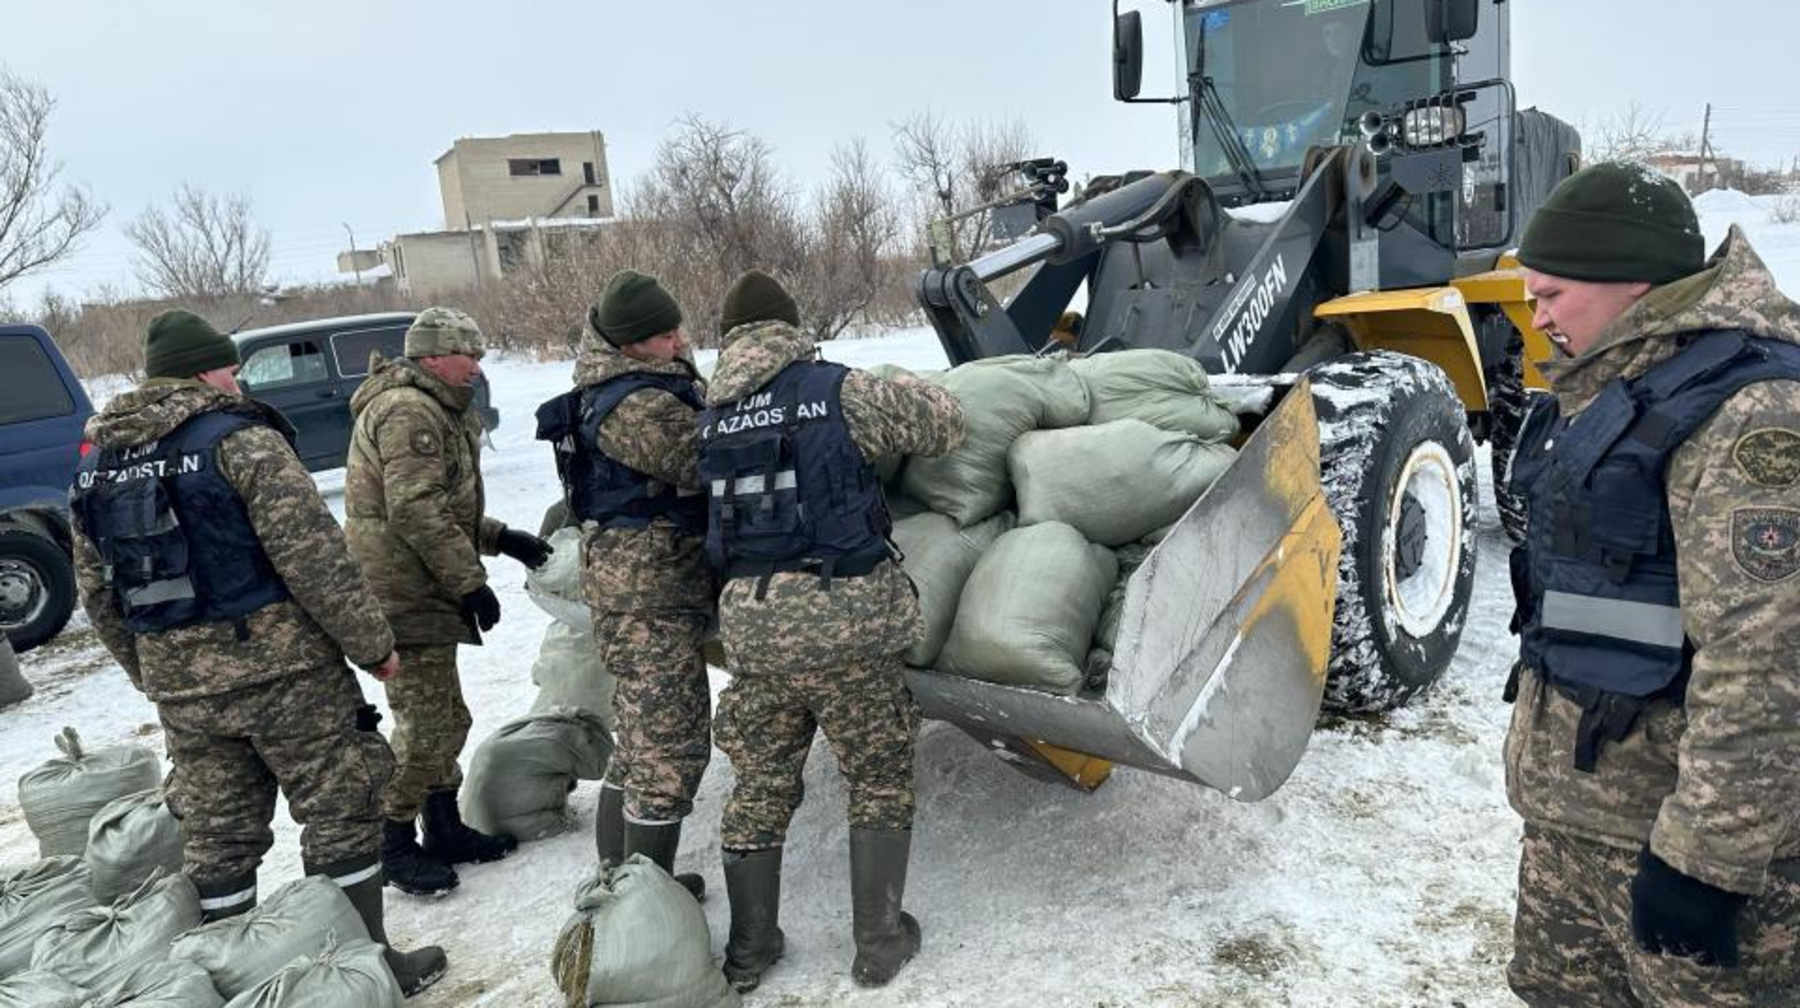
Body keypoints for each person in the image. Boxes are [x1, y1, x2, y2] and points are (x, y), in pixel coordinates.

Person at [69, 309, 446, 996]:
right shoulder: (241, 442)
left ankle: (227, 985)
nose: (236, 382)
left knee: (218, 834)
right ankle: (359, 971)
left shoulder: (99, 465)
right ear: (203, 371)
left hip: (182, 686)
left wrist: (151, 672)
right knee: (340, 812)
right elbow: (314, 558)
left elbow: (96, 592)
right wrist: (373, 648)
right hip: (285, 675)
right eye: (229, 369)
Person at [1505, 162, 1800, 1005]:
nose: (1538, 315)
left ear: (1631, 282)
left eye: (1553, 293)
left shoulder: (1750, 413)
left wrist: (1705, 866)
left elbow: (1766, 663)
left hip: (1678, 851)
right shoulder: (1611, 384)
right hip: (1580, 829)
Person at [699, 269, 966, 991]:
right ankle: (879, 943)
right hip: (842, 618)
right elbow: (945, 425)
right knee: (877, 778)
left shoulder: (712, 411)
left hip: (753, 625)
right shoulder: (835, 390)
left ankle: (751, 949)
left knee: (758, 782)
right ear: (789, 326)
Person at [344, 307, 551, 896]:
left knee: (444, 716)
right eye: (470, 355)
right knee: (427, 722)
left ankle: (443, 825)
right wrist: (469, 580)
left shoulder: (435, 406)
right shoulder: (410, 410)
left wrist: (500, 538)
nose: (477, 367)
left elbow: (443, 506)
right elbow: (413, 510)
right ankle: (391, 840)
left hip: (420, 583)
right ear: (434, 357)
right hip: (403, 591)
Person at [536, 269, 711, 895]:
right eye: (666, 336)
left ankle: (620, 877)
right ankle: (646, 902)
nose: (681, 341)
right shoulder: (637, 405)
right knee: (669, 743)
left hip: (634, 584)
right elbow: (708, 456)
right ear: (631, 343)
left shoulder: (624, 385)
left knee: (640, 736)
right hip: (650, 592)